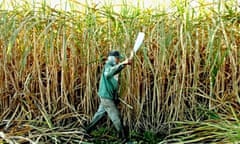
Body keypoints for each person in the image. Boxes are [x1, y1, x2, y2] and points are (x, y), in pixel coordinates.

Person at [85, 50, 132, 143]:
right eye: (118, 58)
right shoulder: (108, 66)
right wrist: (124, 63)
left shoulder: (113, 66)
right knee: (116, 117)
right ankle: (124, 139)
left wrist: (125, 64)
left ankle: (86, 131)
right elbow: (108, 73)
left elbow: (116, 69)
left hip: (106, 96)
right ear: (113, 58)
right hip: (106, 97)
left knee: (99, 115)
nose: (118, 60)